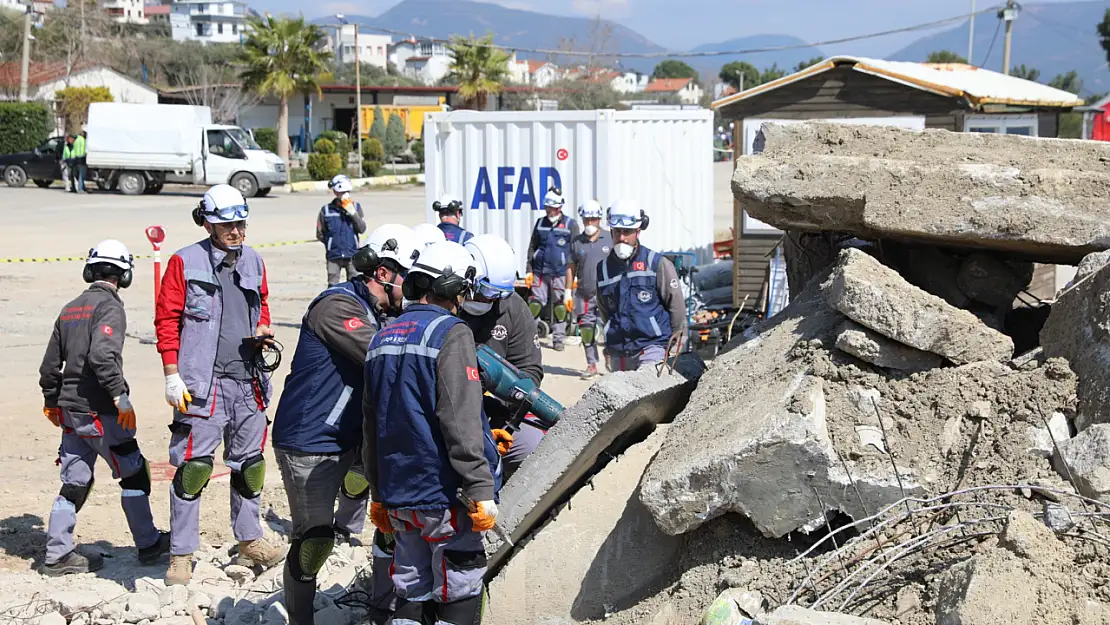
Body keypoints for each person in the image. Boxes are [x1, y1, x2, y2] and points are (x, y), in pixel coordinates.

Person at [273, 224, 421, 625]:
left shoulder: (380, 311)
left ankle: (382, 605)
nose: (413, 290)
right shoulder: (336, 308)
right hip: (311, 441)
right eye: (409, 278)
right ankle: (300, 619)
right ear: (384, 273)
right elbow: (384, 355)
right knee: (313, 541)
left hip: (352, 437)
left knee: (392, 516)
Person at [363, 241, 502, 625]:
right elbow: (459, 419)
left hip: (399, 497)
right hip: (442, 495)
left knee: (411, 587)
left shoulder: (382, 336)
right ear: (454, 286)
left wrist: (378, 493)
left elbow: (371, 427)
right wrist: (479, 485)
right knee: (460, 582)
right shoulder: (452, 333)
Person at [155, 183, 285, 585]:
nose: (237, 231)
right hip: (202, 384)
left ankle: (249, 540)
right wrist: (171, 373)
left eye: (241, 222)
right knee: (193, 469)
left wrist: (263, 326)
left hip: (248, 383)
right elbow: (166, 320)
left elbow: (261, 302)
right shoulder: (184, 262)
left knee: (250, 467)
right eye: (228, 223)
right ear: (208, 223)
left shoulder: (255, 261)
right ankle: (180, 555)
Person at [38, 240, 171, 575]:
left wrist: (51, 401)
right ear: (124, 275)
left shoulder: (69, 308)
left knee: (75, 483)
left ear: (90, 271)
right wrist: (120, 396)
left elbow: (49, 367)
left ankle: (57, 554)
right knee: (134, 473)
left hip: (71, 412)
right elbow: (101, 355)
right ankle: (148, 543)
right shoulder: (110, 308)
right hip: (101, 410)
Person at [460, 233, 545, 478]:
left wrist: (495, 396)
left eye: (499, 294)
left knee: (536, 452)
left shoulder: (514, 308)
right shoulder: (445, 303)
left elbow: (531, 371)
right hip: (447, 413)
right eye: (486, 290)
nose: (491, 299)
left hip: (497, 412)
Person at [596, 199, 687, 371]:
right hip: (620, 351)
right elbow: (604, 310)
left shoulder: (656, 264)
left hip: (652, 347)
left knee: (647, 394)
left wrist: (675, 343)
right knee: (622, 397)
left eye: (627, 232)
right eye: (617, 232)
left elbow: (676, 305)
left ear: (637, 231)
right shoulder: (603, 269)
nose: (621, 238)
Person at [526, 188, 579, 351]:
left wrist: (574, 277)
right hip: (540, 272)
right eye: (548, 208)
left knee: (560, 307)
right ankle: (530, 339)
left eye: (553, 208)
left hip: (561, 273)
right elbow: (532, 246)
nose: (550, 211)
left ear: (560, 207)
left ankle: (558, 340)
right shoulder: (541, 223)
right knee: (534, 305)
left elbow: (575, 252)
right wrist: (528, 269)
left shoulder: (571, 225)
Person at [566, 200, 613, 379]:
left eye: (593, 219)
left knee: (611, 328)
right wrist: (567, 292)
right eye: (587, 219)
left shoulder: (610, 238)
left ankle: (610, 354)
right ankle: (591, 364)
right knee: (586, 329)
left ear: (599, 219)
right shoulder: (577, 242)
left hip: (607, 295)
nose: (590, 223)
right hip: (584, 295)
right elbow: (571, 267)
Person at [317, 174, 367, 286]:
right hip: (334, 255)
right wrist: (331, 244)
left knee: (355, 285)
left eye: (347, 192)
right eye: (341, 192)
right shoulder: (326, 210)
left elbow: (362, 229)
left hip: (352, 253)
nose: (345, 195)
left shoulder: (356, 207)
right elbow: (320, 233)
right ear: (335, 192)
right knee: (332, 285)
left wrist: (353, 213)